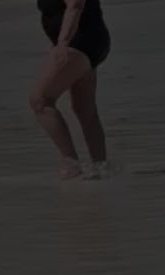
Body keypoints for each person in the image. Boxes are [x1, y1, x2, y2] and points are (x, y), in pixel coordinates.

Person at [32, 0, 113, 179]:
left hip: (78, 41)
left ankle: (72, 164)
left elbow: (75, 4)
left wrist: (62, 43)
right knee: (86, 110)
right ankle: (101, 167)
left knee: (40, 100)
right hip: (89, 40)